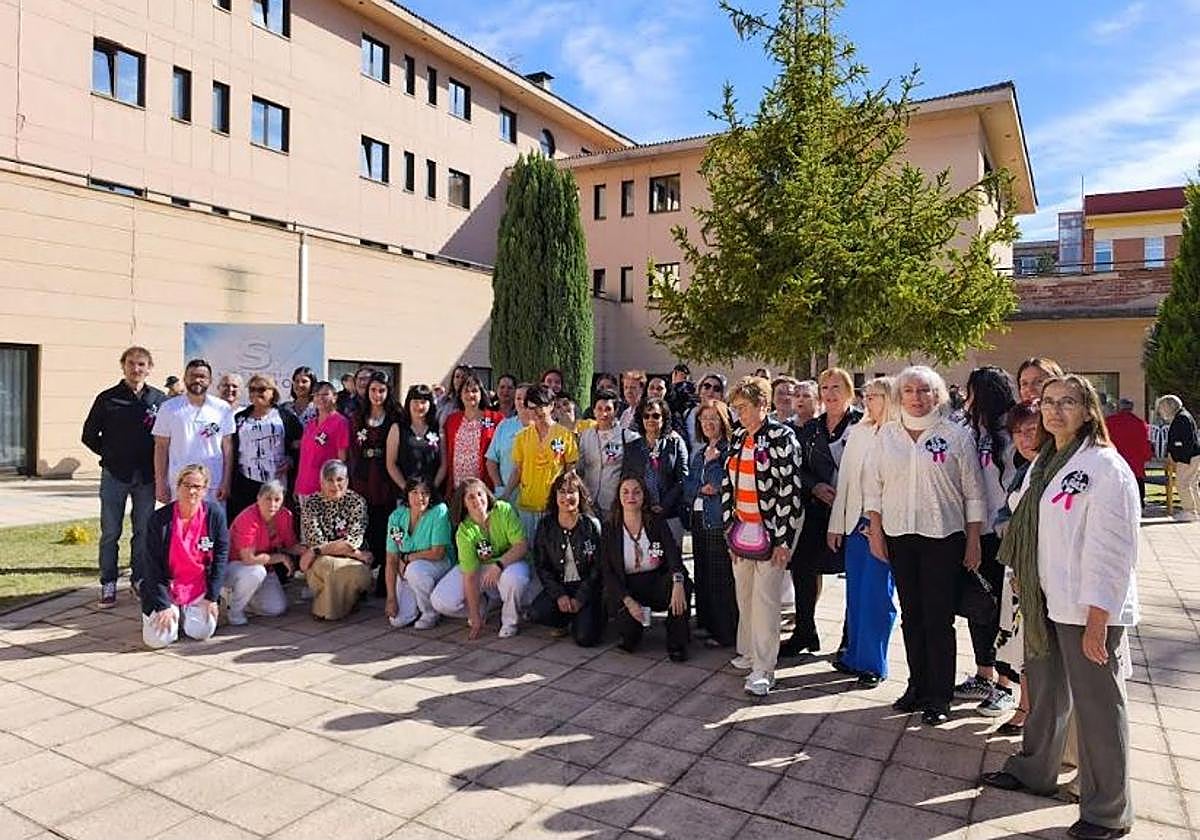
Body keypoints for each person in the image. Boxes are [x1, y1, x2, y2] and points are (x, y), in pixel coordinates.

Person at [982, 375, 1140, 840]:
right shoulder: (1046, 461)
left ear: (1090, 410)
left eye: (1067, 402)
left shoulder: (1105, 467)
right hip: (1046, 598)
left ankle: (1108, 810)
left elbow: (1113, 550)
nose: (1054, 411)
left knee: (1098, 708)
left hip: (1087, 607)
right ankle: (1035, 769)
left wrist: (1098, 620)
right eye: (1048, 402)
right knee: (1046, 692)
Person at [864, 365, 985, 726]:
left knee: (938, 618)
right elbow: (875, 486)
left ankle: (939, 695)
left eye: (925, 391)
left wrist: (974, 539)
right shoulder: (886, 436)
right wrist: (875, 529)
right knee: (911, 615)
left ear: (938, 395)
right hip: (900, 535)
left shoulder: (956, 436)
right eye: (910, 391)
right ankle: (916, 686)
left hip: (943, 538)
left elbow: (974, 492)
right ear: (900, 396)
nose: (917, 398)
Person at [723, 376, 803, 696]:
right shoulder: (739, 436)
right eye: (736, 408)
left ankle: (764, 669)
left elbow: (790, 492)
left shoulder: (784, 438)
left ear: (763, 406)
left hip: (771, 532)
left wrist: (783, 540)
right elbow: (729, 484)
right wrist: (729, 527)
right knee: (744, 594)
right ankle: (749, 652)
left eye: (744, 407)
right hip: (742, 529)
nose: (739, 414)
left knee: (766, 601)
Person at [782, 368, 862, 659]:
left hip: (854, 513)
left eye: (836, 387)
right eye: (825, 388)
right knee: (803, 569)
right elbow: (796, 467)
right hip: (817, 511)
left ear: (849, 391)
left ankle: (849, 641)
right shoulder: (811, 429)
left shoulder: (863, 425)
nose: (830, 393)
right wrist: (815, 486)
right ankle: (804, 631)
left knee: (855, 577)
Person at [953, 366, 1019, 711]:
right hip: (973, 531)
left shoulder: (1011, 431)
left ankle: (1007, 684)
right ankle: (984, 674)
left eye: (972, 390)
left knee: (1003, 612)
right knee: (978, 607)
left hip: (1001, 535)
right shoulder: (969, 428)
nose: (967, 397)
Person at [82, 345, 166, 606]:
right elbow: (88, 436)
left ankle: (139, 579)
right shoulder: (107, 398)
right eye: (131, 363)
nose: (136, 368)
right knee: (110, 532)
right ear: (123, 366)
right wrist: (110, 455)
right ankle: (108, 583)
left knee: (143, 531)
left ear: (149, 368)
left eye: (141, 364)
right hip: (115, 475)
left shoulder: (159, 400)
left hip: (147, 478)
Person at [827, 377, 898, 688]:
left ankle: (874, 663)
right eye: (866, 396)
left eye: (876, 396)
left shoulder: (899, 434)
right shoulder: (858, 432)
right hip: (855, 525)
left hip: (883, 527)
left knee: (877, 597)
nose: (869, 401)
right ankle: (854, 655)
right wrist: (836, 525)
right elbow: (844, 482)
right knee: (855, 594)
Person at [988, 400, 1043, 729]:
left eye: (1031, 430)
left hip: (1038, 571)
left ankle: (1030, 709)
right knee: (1020, 643)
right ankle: (1025, 705)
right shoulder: (1025, 469)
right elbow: (1004, 517)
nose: (1023, 438)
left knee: (1033, 645)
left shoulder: (1049, 469)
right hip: (1017, 569)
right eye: (1017, 432)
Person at [602, 475, 690, 661]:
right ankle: (633, 631)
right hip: (628, 588)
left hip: (655, 580)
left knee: (683, 586)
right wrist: (628, 601)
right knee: (629, 640)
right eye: (625, 492)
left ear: (643, 496)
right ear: (618, 497)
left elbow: (673, 554)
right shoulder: (610, 528)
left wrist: (678, 582)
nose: (630, 496)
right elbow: (608, 572)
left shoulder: (656, 521)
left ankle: (677, 642)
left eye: (636, 492)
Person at [140, 464, 228, 648]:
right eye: (187, 485)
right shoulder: (159, 519)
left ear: (205, 490)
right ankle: (173, 611)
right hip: (167, 586)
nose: (192, 491)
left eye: (198, 486)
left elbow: (220, 557)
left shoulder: (214, 515)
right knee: (156, 640)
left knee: (200, 632)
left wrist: (212, 597)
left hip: (198, 585)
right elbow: (151, 564)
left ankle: (186, 613)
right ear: (178, 486)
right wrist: (163, 605)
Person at [431, 478, 530, 639]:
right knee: (440, 600)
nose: (477, 500)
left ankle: (510, 621)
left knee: (515, 578)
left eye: (480, 494)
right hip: (480, 569)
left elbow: (521, 545)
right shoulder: (464, 531)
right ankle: (484, 606)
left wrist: (499, 564)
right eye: (470, 497)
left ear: (487, 494)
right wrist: (474, 614)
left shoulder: (503, 510)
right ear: (463, 503)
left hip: (509, 562)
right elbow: (470, 575)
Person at [529, 470, 605, 646]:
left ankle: (586, 617)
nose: (567, 497)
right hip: (561, 586)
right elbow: (542, 566)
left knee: (585, 640)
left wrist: (581, 597)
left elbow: (598, 568)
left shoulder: (591, 525)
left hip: (585, 589)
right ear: (555, 496)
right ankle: (563, 621)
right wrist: (559, 595)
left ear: (580, 495)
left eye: (572, 491)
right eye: (562, 491)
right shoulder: (546, 526)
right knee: (536, 613)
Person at [684, 399, 737, 648]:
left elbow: (718, 485)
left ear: (723, 422)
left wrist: (714, 463)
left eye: (713, 419)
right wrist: (701, 487)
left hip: (716, 521)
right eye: (704, 420)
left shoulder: (727, 451)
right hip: (698, 519)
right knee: (703, 574)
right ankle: (706, 624)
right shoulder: (699, 452)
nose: (708, 424)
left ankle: (724, 631)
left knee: (720, 577)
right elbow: (689, 486)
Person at [298, 459, 373, 620]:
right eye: (330, 480)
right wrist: (356, 554)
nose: (335, 485)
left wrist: (317, 551)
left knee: (345, 570)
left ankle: (326, 610)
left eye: (339, 480)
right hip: (325, 559)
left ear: (347, 481)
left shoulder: (357, 502)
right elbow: (315, 540)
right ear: (321, 482)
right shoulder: (311, 503)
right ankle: (342, 607)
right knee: (329, 567)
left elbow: (352, 541)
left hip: (343, 558)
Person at [153, 358, 235, 505]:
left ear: (210, 381)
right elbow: (161, 447)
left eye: (202, 377)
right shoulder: (168, 408)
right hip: (179, 484)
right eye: (192, 376)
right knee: (180, 526)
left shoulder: (222, 409)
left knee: (211, 526)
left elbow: (227, 449)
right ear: (184, 379)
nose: (197, 380)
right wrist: (160, 483)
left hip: (213, 484)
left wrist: (226, 482)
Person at [506, 385, 580, 539]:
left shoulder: (565, 435)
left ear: (551, 405)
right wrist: (506, 493)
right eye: (532, 408)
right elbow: (518, 470)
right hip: (527, 505)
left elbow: (570, 470)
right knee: (529, 551)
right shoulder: (522, 437)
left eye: (540, 407)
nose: (536, 412)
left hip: (554, 507)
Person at [225, 480, 303, 625]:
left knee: (276, 609)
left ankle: (246, 599)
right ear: (258, 498)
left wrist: (312, 551)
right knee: (256, 572)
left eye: (277, 499)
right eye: (268, 498)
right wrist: (280, 557)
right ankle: (234, 610)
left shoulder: (285, 515)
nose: (272, 504)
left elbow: (291, 545)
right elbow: (248, 559)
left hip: (264, 566)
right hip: (236, 565)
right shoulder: (247, 518)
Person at [350, 371, 399, 595]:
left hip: (385, 476)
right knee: (363, 527)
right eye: (373, 390)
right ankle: (360, 579)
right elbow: (352, 450)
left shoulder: (395, 416)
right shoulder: (358, 416)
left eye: (381, 390)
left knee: (385, 527)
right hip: (363, 477)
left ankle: (384, 581)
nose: (377, 395)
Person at [384, 479, 455, 629]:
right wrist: (391, 598)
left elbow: (438, 553)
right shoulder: (396, 517)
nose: (419, 497)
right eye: (414, 492)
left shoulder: (439, 511)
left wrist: (408, 558)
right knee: (398, 620)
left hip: (438, 563)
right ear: (407, 495)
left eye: (424, 493)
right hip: (407, 569)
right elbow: (391, 558)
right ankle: (420, 598)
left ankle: (430, 612)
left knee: (415, 570)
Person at [229, 374, 302, 518]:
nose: (256, 393)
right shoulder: (240, 418)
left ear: (273, 392)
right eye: (252, 389)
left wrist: (291, 460)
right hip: (246, 482)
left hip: (276, 483)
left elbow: (300, 445)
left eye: (261, 389)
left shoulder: (286, 418)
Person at [622, 395, 689, 544]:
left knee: (672, 560)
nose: (651, 419)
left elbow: (683, 478)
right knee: (651, 560)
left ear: (663, 418)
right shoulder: (632, 448)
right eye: (646, 416)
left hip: (671, 513)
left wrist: (664, 505)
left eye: (656, 415)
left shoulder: (675, 444)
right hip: (642, 513)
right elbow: (627, 479)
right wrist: (646, 504)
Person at [437, 371, 505, 496]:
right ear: (460, 395)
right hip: (457, 489)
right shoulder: (451, 420)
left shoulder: (495, 419)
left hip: (484, 489)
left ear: (481, 393)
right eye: (466, 391)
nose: (470, 395)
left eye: (474, 391)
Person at [578, 388, 637, 516]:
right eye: (599, 409)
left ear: (615, 411)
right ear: (593, 411)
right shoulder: (585, 436)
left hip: (614, 504)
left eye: (608, 409)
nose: (604, 414)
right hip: (589, 504)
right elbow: (580, 468)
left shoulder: (627, 437)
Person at [294, 381, 350, 504]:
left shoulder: (340, 423)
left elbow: (342, 459)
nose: (320, 398)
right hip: (304, 487)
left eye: (325, 394)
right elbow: (305, 457)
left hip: (325, 490)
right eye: (317, 395)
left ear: (334, 397)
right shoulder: (310, 424)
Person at [387, 384, 442, 496]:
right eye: (415, 401)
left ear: (430, 404)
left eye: (423, 402)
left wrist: (431, 489)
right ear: (408, 403)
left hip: (432, 492)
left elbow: (443, 465)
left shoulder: (437, 428)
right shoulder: (397, 428)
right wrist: (408, 490)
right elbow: (391, 464)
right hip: (405, 493)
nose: (419, 406)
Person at [485, 382, 532, 500]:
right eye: (518, 398)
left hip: (534, 496)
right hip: (507, 494)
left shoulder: (541, 427)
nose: (522, 402)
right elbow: (491, 460)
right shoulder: (504, 425)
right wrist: (499, 487)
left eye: (526, 398)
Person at [1158, 394, 1199, 520]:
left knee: (1183, 484)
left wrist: (1179, 458)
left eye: (1162, 407)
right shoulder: (1183, 416)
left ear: (1169, 407)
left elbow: (1185, 441)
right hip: (1192, 455)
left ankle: (1190, 511)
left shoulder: (1181, 418)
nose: (1161, 411)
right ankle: (1196, 510)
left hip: (1188, 457)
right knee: (1192, 484)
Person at [1105, 398, 1152, 507]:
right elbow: (1144, 441)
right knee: (1137, 480)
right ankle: (1139, 503)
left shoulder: (1109, 421)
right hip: (1135, 459)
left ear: (1119, 407)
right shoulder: (1140, 423)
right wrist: (1146, 455)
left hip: (1116, 457)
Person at [684, 373, 727, 453]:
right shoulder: (688, 413)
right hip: (694, 462)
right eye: (707, 386)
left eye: (717, 389)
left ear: (721, 395)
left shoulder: (729, 414)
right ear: (700, 390)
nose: (711, 391)